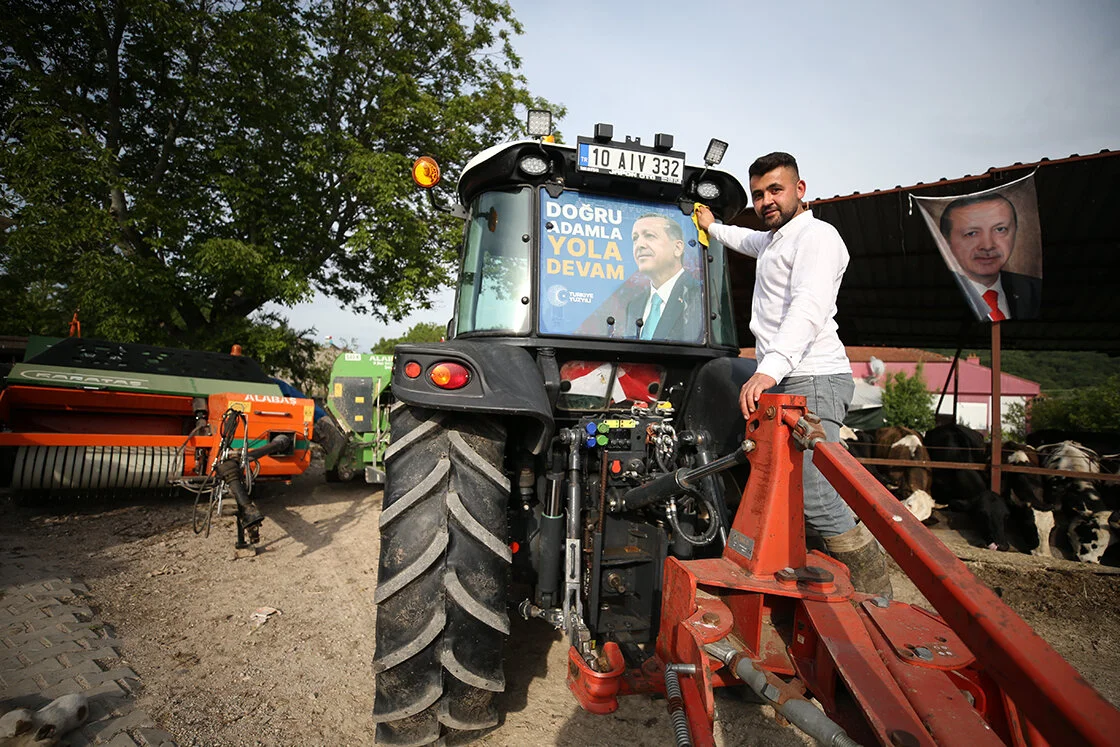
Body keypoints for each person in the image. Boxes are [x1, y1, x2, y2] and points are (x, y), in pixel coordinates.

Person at [695, 152, 891, 597]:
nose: (766, 201)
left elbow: (807, 308)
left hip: (814, 377)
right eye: (759, 194)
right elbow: (742, 239)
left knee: (817, 494)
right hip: (790, 377)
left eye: (775, 190)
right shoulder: (773, 240)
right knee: (790, 490)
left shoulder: (818, 237)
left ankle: (875, 593)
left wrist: (767, 371)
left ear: (800, 190)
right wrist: (710, 227)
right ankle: (824, 587)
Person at [939, 193, 1041, 321]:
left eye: (1000, 229)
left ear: (1016, 231)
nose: (988, 246)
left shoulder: (1034, 291)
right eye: (971, 233)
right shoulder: (934, 301)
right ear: (946, 241)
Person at [624, 213, 702, 341]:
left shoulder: (699, 296)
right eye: (635, 238)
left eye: (649, 236)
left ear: (678, 248)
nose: (639, 245)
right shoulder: (634, 305)